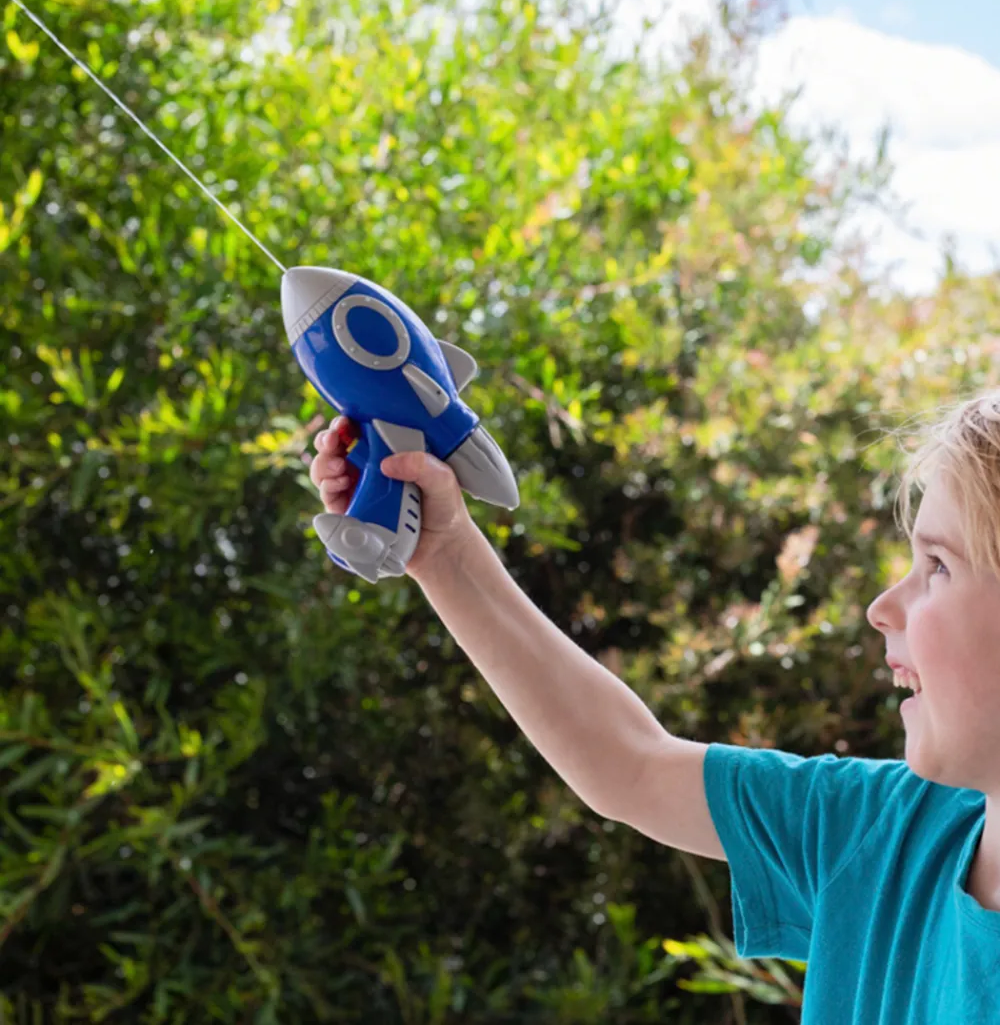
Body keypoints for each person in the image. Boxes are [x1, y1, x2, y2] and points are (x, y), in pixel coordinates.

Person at [309, 392, 1000, 1022]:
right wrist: (442, 548)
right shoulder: (880, 832)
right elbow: (630, 764)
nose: (882, 609)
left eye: (938, 566)